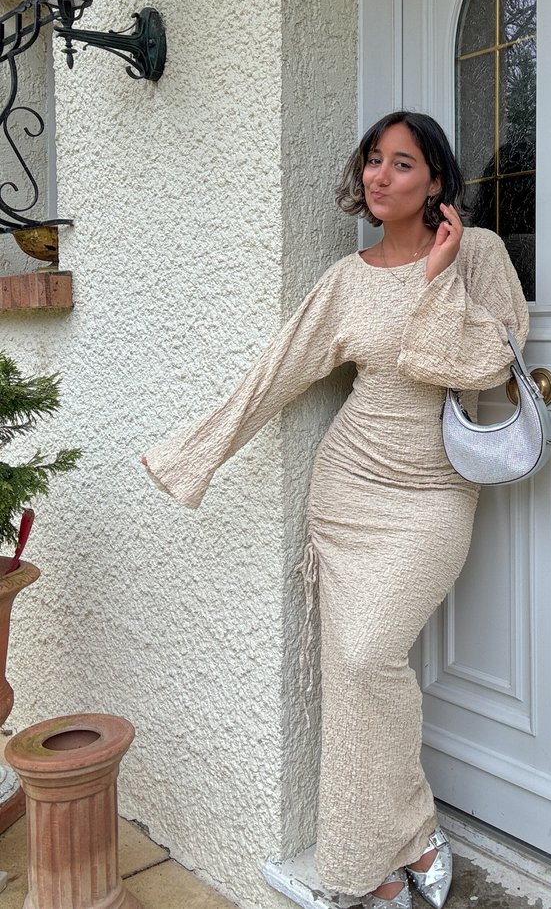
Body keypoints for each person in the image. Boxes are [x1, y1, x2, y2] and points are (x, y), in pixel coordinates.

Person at [142, 111, 529, 908]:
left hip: (432, 493)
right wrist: (195, 455)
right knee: (353, 672)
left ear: (436, 183)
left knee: (367, 659)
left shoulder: (478, 254)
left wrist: (437, 279)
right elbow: (274, 375)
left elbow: (486, 365)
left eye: (402, 164)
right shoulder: (344, 280)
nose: (380, 177)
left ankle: (413, 829)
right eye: (372, 163)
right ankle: (369, 861)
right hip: (348, 488)